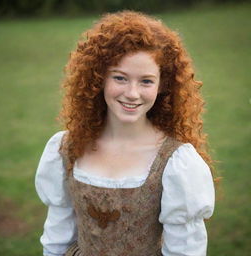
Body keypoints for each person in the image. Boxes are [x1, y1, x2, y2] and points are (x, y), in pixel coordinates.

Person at [35, 10, 216, 256]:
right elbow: (57, 234)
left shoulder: (176, 163)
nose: (132, 93)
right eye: (120, 78)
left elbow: (185, 250)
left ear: (162, 84)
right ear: (98, 78)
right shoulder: (67, 147)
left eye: (146, 81)